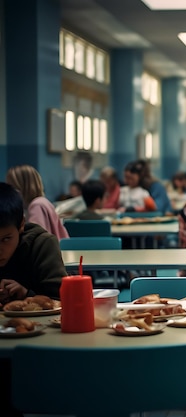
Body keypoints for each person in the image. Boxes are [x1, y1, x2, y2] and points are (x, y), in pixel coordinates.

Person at [0, 182, 67, 417]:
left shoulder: (41, 244)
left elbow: (61, 300)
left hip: (42, 346)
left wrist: (27, 295)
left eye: (6, 239)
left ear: (21, 226)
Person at [5, 165, 69, 240]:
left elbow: (34, 237)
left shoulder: (37, 206)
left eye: (12, 187)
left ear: (21, 187)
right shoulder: (42, 202)